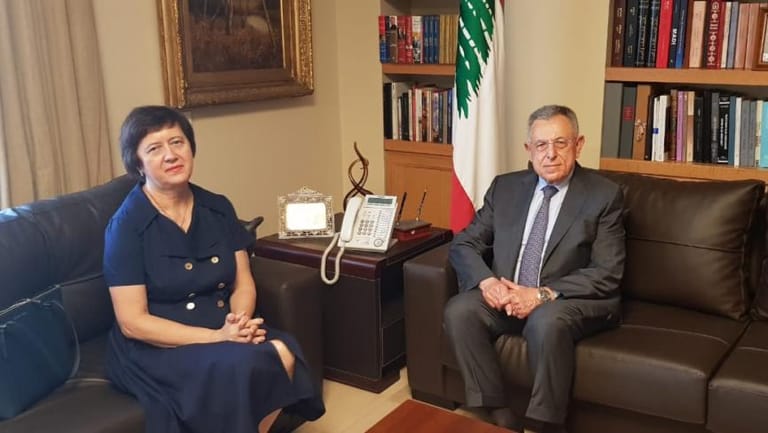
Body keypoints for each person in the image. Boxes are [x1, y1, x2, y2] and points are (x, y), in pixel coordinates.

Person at [103, 105, 325, 433]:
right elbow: (133, 322)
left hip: (222, 324)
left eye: (177, 142)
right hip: (158, 345)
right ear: (138, 163)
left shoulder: (217, 208)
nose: (170, 155)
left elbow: (242, 282)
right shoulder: (126, 226)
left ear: (191, 147)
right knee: (249, 364)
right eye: (154, 148)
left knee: (284, 351)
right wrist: (218, 338)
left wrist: (239, 322)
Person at [444, 105, 625, 433]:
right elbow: (464, 243)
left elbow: (607, 272)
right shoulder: (505, 188)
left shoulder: (604, 195)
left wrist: (540, 295)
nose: (550, 154)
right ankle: (497, 411)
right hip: (508, 294)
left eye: (561, 143)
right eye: (541, 145)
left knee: (546, 321)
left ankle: (545, 424)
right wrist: (487, 282)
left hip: (565, 299)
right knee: (461, 310)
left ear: (578, 145)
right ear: (529, 149)